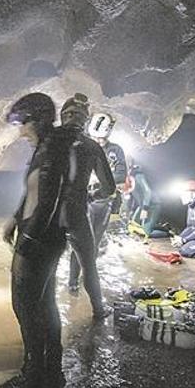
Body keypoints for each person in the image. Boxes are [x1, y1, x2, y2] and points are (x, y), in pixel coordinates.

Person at [1, 92, 72, 388]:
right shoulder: (44, 148)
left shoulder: (53, 150)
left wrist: (28, 239)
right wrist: (15, 219)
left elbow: (48, 201)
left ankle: (34, 375)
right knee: (44, 304)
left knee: (26, 306)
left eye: (22, 122)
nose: (20, 130)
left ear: (37, 120)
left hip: (40, 239)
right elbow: (31, 193)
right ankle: (51, 373)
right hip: (42, 236)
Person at [57, 94, 116, 319]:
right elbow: (109, 187)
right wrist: (91, 196)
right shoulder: (91, 146)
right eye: (73, 114)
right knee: (88, 263)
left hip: (49, 215)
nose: (73, 118)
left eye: (73, 114)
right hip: (76, 213)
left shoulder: (49, 141)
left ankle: (61, 298)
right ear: (86, 121)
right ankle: (98, 310)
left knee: (45, 268)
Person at [67, 112, 126, 286]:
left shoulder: (115, 150)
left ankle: (88, 282)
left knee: (94, 243)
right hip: (82, 201)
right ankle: (72, 282)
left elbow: (121, 175)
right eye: (95, 138)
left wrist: (100, 184)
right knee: (78, 243)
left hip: (102, 202)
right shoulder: (82, 146)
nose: (98, 142)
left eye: (101, 139)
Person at [126, 165, 169, 239]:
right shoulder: (127, 181)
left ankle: (168, 232)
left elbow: (148, 191)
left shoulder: (138, 176)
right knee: (133, 225)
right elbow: (134, 198)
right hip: (142, 205)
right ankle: (158, 225)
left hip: (153, 205)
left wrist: (145, 209)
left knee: (146, 232)